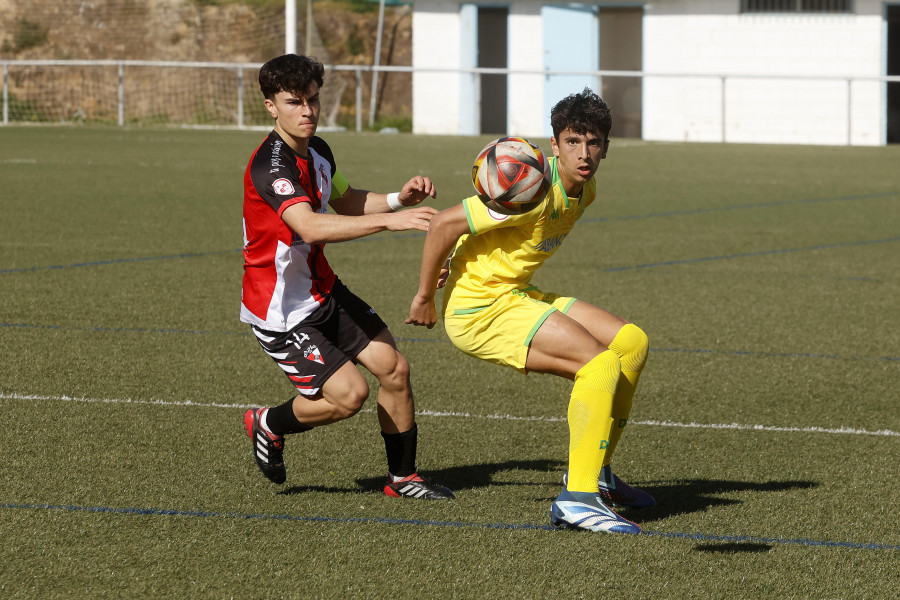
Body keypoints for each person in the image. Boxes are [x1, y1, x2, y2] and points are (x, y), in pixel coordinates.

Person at [406, 88, 652, 531]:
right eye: (573, 142)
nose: (584, 153)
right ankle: (577, 499)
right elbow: (443, 222)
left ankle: (596, 474)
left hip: (514, 292)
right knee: (598, 367)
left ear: (606, 148)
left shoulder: (587, 189)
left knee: (631, 344)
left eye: (593, 143)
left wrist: (459, 256)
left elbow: (487, 238)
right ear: (554, 145)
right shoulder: (531, 187)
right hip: (480, 310)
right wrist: (424, 296)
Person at [241, 53, 452, 500]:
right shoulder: (271, 166)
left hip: (323, 290)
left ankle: (403, 479)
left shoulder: (318, 149)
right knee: (349, 396)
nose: (308, 112)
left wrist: (399, 199)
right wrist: (390, 224)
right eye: (294, 102)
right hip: (281, 310)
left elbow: (348, 200)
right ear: (270, 106)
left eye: (313, 100)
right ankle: (268, 422)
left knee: (394, 368)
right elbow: (311, 226)